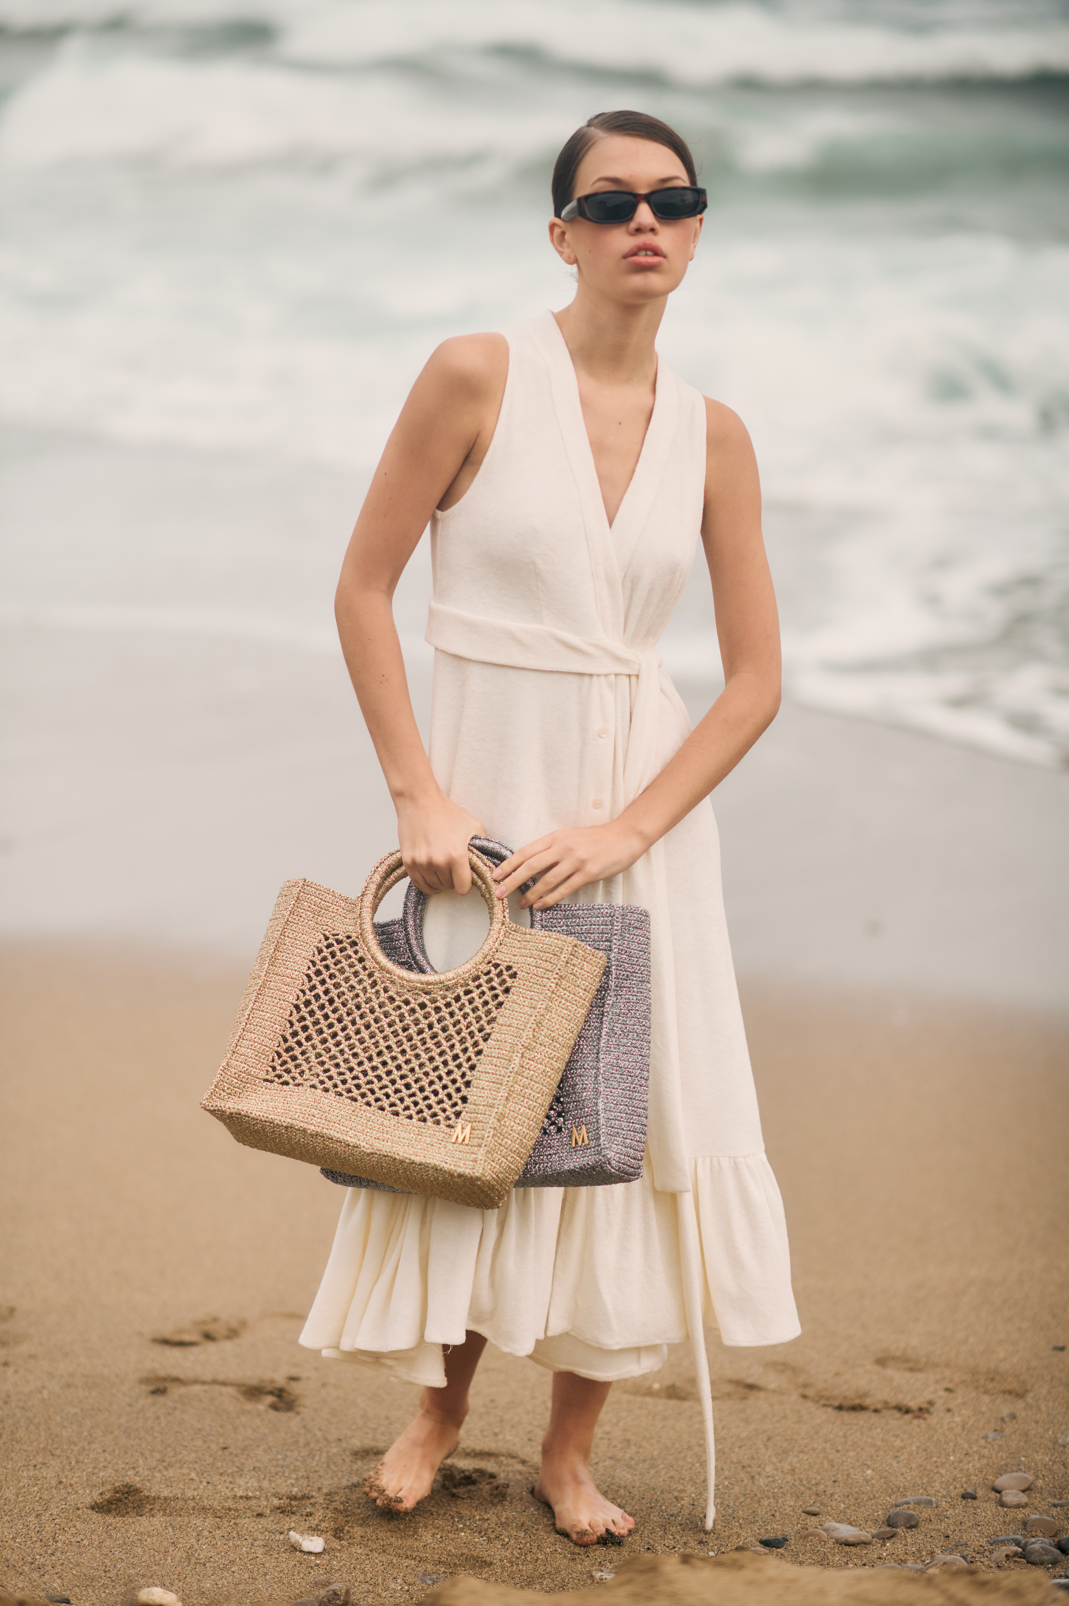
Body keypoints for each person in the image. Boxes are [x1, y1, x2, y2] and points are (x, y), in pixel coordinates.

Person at [300, 109, 800, 1546]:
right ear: (561, 232)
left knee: (622, 1116)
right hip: (486, 794)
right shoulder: (476, 373)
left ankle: (569, 1452)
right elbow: (363, 588)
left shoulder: (715, 435)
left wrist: (632, 828)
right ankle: (438, 1412)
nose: (646, 222)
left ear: (696, 231)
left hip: (638, 818)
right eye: (613, 201)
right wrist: (418, 791)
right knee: (471, 1105)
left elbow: (756, 679)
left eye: (674, 200)